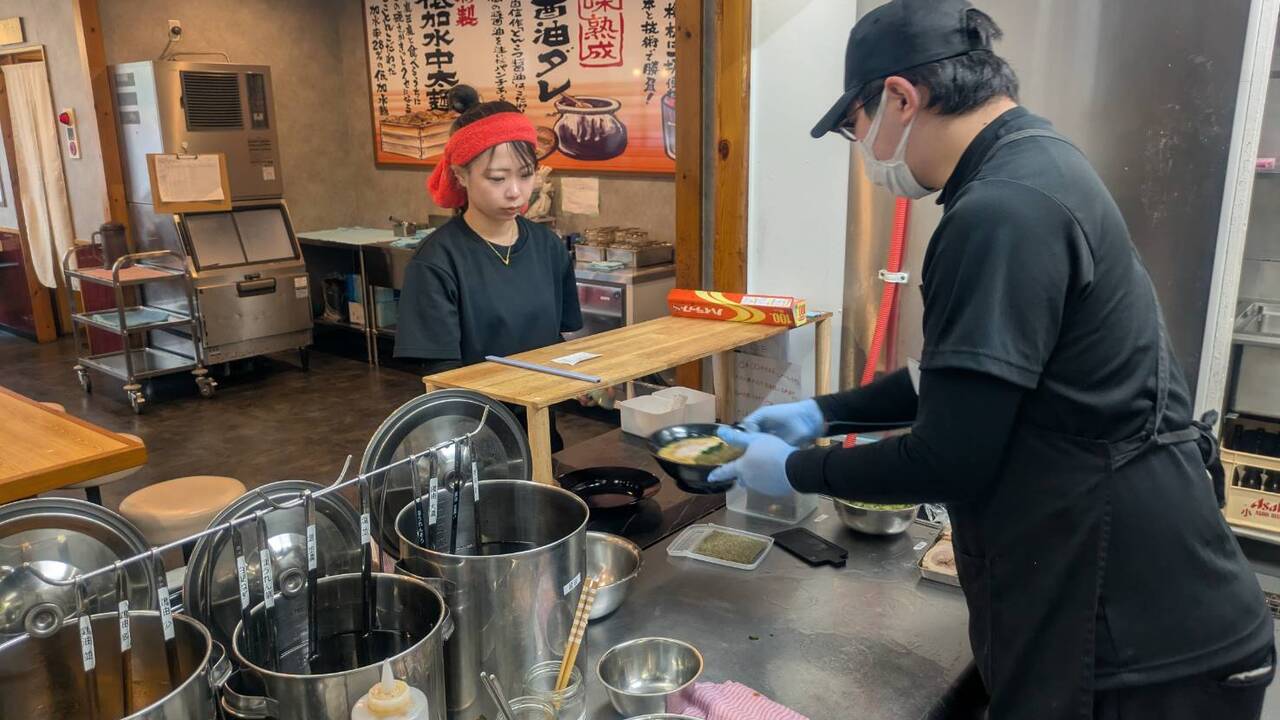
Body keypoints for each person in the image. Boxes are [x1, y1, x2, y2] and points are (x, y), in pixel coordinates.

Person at [709, 2, 1275, 718]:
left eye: (855, 128)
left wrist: (793, 469)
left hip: (1137, 641)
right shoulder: (1034, 162)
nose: (865, 151)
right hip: (1143, 605)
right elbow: (965, 378)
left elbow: (950, 457)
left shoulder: (1001, 209)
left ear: (900, 98)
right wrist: (825, 411)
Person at [395, 87, 583, 451]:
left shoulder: (547, 246)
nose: (515, 191)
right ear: (461, 175)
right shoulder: (437, 262)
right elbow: (442, 378)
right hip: (473, 440)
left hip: (542, 429)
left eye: (526, 175)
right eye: (497, 179)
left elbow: (556, 338)